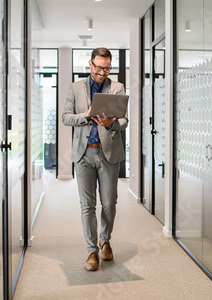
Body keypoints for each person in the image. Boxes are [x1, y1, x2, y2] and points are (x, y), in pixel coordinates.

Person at [62, 47, 128, 271]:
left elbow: (124, 120)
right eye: (99, 67)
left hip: (108, 153)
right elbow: (66, 118)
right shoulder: (75, 87)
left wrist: (112, 124)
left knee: (109, 203)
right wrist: (87, 115)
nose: (103, 72)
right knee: (87, 205)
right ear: (90, 64)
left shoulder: (117, 87)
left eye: (107, 68)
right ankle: (92, 250)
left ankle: (104, 240)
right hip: (84, 154)